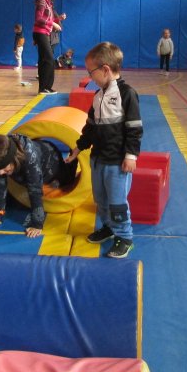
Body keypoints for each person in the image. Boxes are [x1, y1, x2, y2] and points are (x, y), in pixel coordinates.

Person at [66, 42, 142, 259]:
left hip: (117, 162)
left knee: (117, 203)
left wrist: (131, 156)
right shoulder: (98, 95)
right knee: (101, 200)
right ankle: (109, 227)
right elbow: (90, 128)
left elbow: (135, 129)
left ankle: (125, 237)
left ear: (105, 69)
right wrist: (78, 147)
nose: (89, 77)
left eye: (91, 72)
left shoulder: (127, 94)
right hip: (98, 159)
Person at [0, 133, 79, 237]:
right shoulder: (1, 158)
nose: (0, 172)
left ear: (13, 159)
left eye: (4, 169)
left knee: (67, 180)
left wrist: (37, 224)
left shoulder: (30, 158)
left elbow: (35, 191)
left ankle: (73, 157)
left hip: (52, 162)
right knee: (9, 185)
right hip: (27, 163)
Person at [32, 0, 63, 94]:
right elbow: (38, 19)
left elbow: (48, 19)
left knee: (43, 60)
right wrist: (53, 24)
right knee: (49, 59)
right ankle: (46, 87)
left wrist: (58, 20)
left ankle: (43, 88)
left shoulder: (48, 4)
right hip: (41, 33)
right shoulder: (42, 1)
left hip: (43, 33)